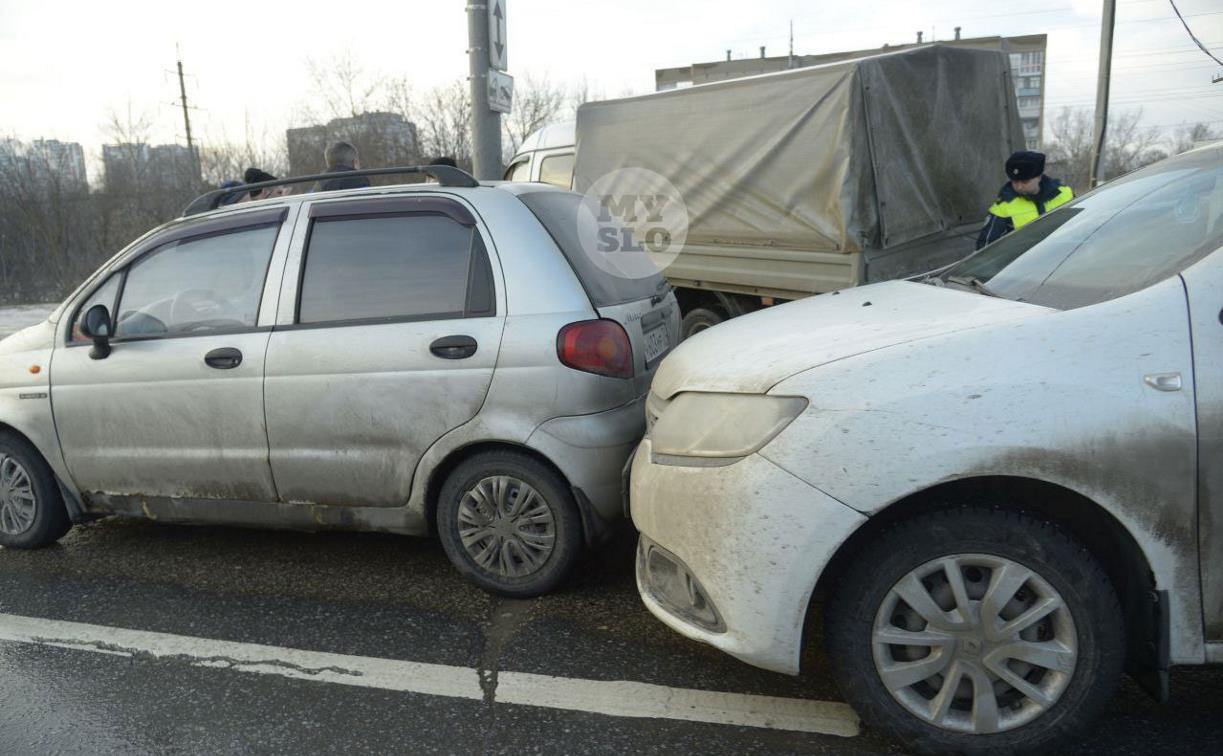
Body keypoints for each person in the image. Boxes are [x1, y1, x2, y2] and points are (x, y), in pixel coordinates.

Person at [976, 150, 1074, 249]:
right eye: (1015, 181)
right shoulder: (1003, 206)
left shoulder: (1065, 194)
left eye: (1025, 181)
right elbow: (985, 247)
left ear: (1039, 177)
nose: (1019, 187)